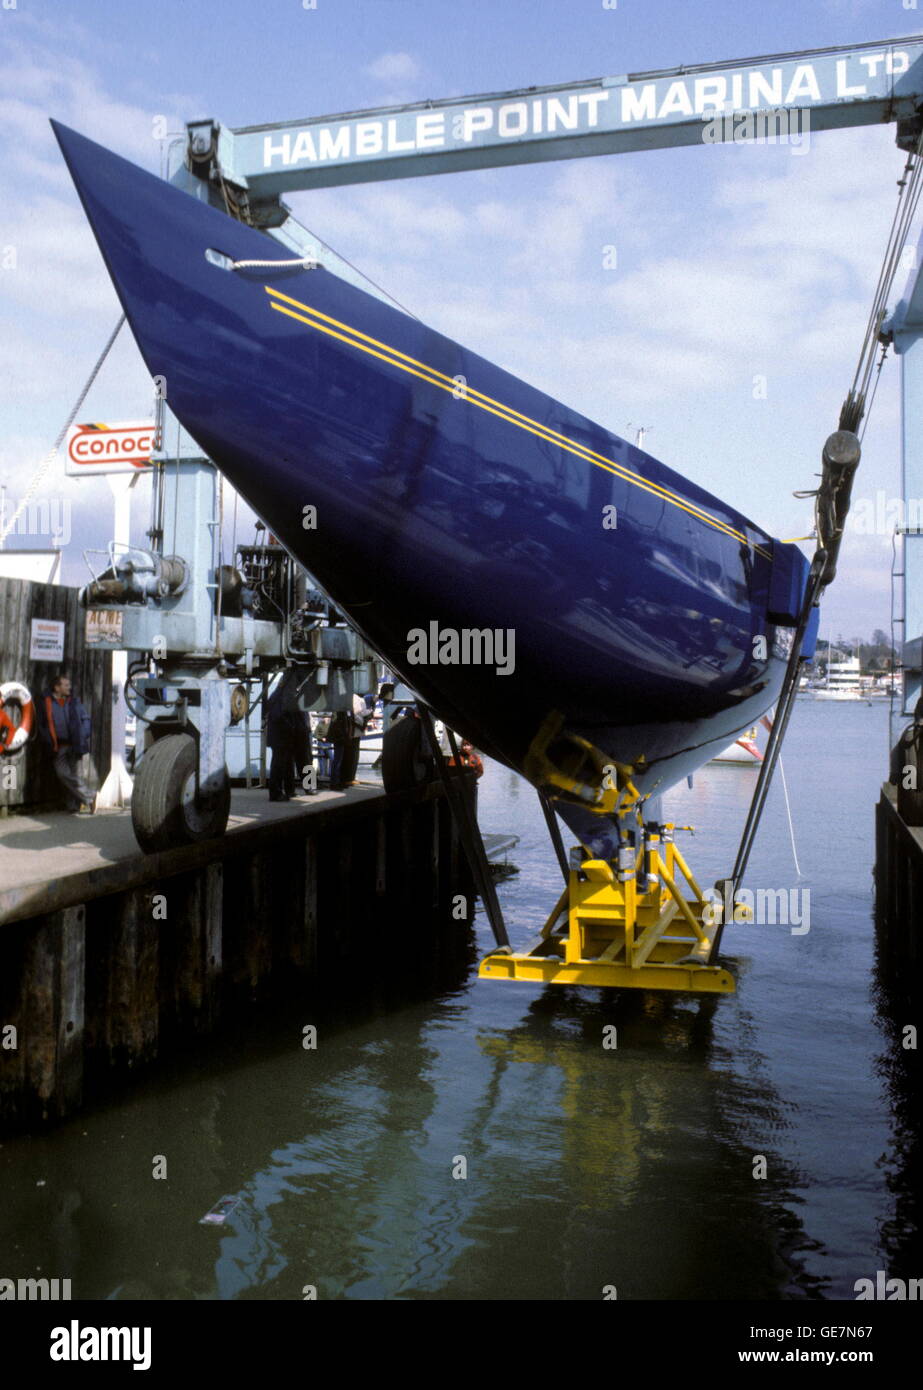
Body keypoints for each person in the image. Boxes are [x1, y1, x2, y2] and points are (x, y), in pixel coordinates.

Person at [38, 672, 96, 814]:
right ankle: (90, 797)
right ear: (57, 688)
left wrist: (84, 734)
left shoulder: (74, 702)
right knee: (63, 774)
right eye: (66, 685)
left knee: (75, 775)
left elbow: (86, 719)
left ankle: (73, 806)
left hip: (75, 745)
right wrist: (47, 740)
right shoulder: (46, 703)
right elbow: (42, 724)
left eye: (69, 685)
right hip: (58, 746)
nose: (69, 688)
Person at [265, 670, 300, 802]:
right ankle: (310, 786)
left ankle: (292, 789)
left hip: (283, 736)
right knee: (284, 764)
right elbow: (279, 715)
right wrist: (291, 726)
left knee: (285, 764)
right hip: (285, 736)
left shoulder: (278, 694)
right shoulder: (285, 697)